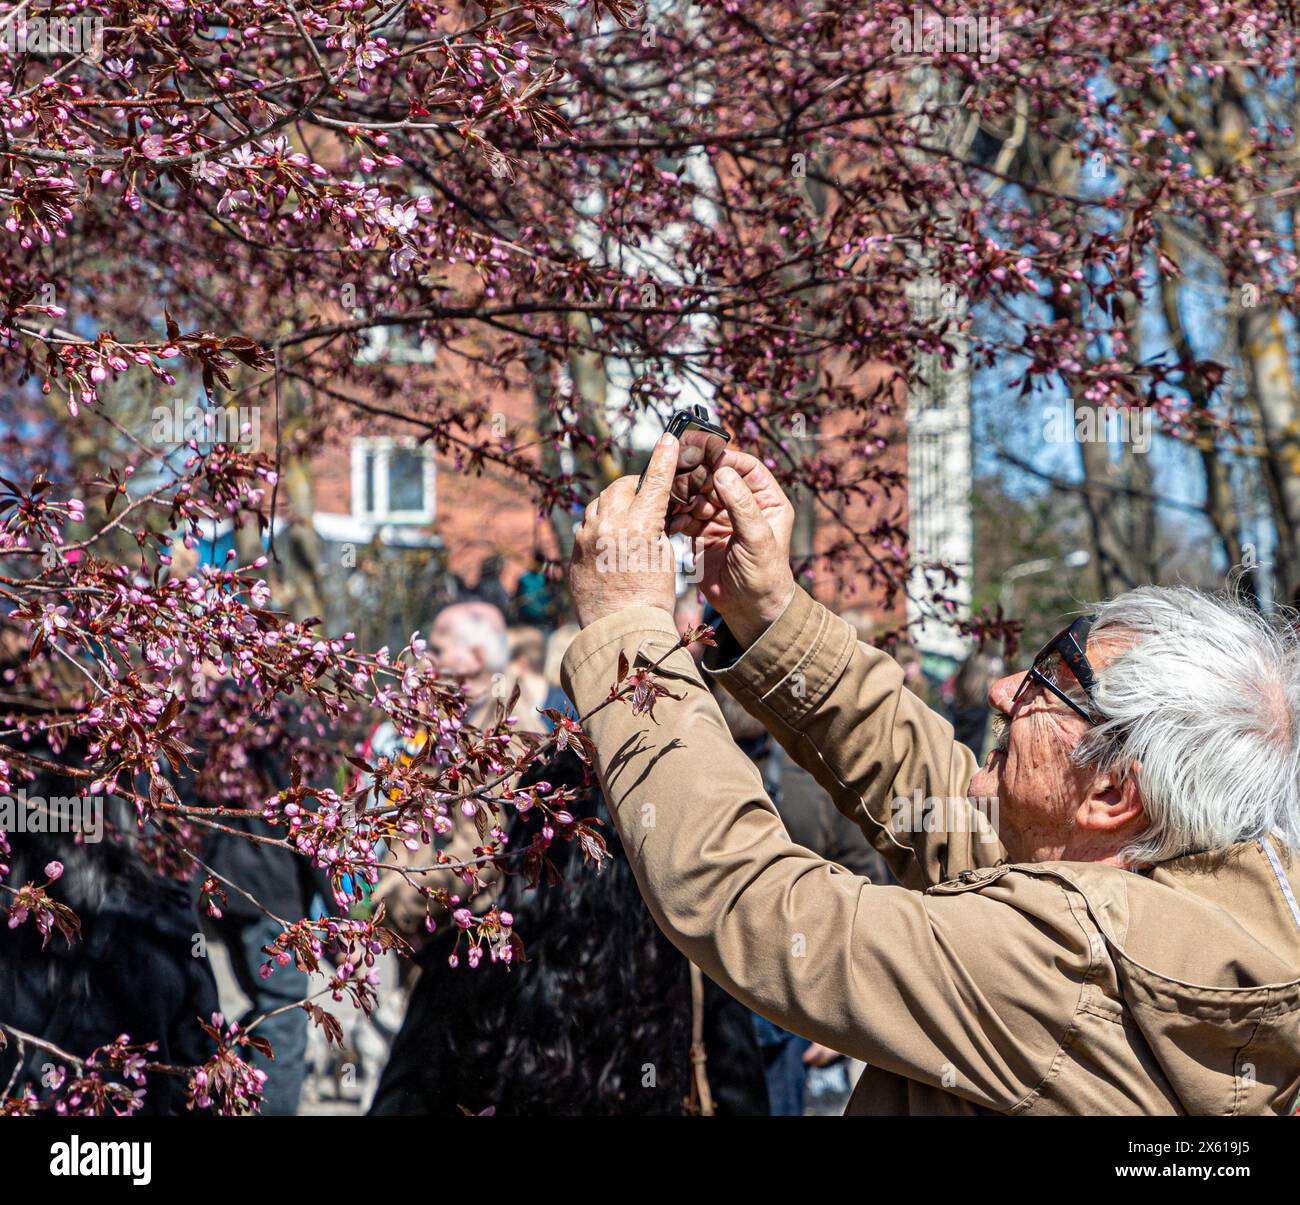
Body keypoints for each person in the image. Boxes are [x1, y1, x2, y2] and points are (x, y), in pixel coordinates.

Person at [560, 429, 1300, 1115]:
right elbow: (932, 796)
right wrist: (771, 612)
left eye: (1052, 678)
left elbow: (751, 900)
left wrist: (627, 632)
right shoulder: (1182, 903)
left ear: (1112, 792)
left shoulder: (1062, 969)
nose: (1005, 689)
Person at [368, 750, 768, 1115]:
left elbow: (402, 1100)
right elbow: (742, 1097)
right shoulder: (684, 964)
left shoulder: (469, 958)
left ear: (522, 846)